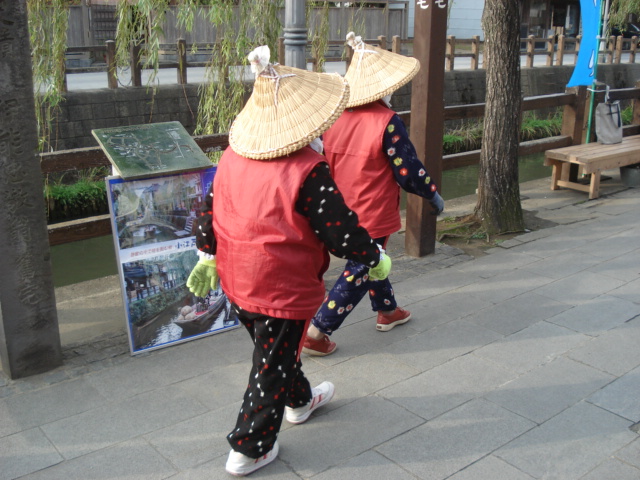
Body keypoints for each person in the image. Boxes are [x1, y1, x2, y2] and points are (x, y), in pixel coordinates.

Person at [185, 45, 392, 477]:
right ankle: (250, 446)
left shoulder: (231, 157)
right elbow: (339, 229)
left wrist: (207, 253)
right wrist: (372, 255)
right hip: (281, 285)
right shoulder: (308, 169)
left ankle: (299, 401)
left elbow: (207, 210)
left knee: (274, 349)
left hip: (235, 278)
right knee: (270, 360)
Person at [302, 32, 445, 357]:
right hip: (373, 211)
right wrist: (432, 193)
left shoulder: (335, 116)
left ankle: (387, 310)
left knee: (373, 259)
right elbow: (407, 171)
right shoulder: (387, 121)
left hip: (338, 208)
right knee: (364, 264)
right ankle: (318, 331)